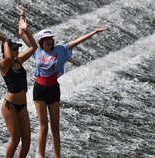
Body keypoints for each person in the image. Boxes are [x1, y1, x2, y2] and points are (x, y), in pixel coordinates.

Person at [32, 24, 108, 157]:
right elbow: (24, 34)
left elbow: (77, 41)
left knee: (55, 128)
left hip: (53, 89)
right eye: (46, 39)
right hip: (39, 89)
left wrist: (94, 32)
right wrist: (22, 19)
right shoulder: (35, 50)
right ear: (41, 42)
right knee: (43, 127)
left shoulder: (60, 49)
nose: (49, 40)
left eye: (50, 38)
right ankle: (41, 156)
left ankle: (57, 156)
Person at [0, 5, 37, 158]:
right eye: (14, 49)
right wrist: (5, 40)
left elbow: (34, 46)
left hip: (22, 105)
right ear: (6, 50)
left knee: (26, 140)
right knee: (15, 138)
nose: (17, 51)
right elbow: (8, 58)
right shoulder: (3, 65)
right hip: (10, 105)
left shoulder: (18, 61)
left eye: (17, 49)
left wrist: (23, 22)